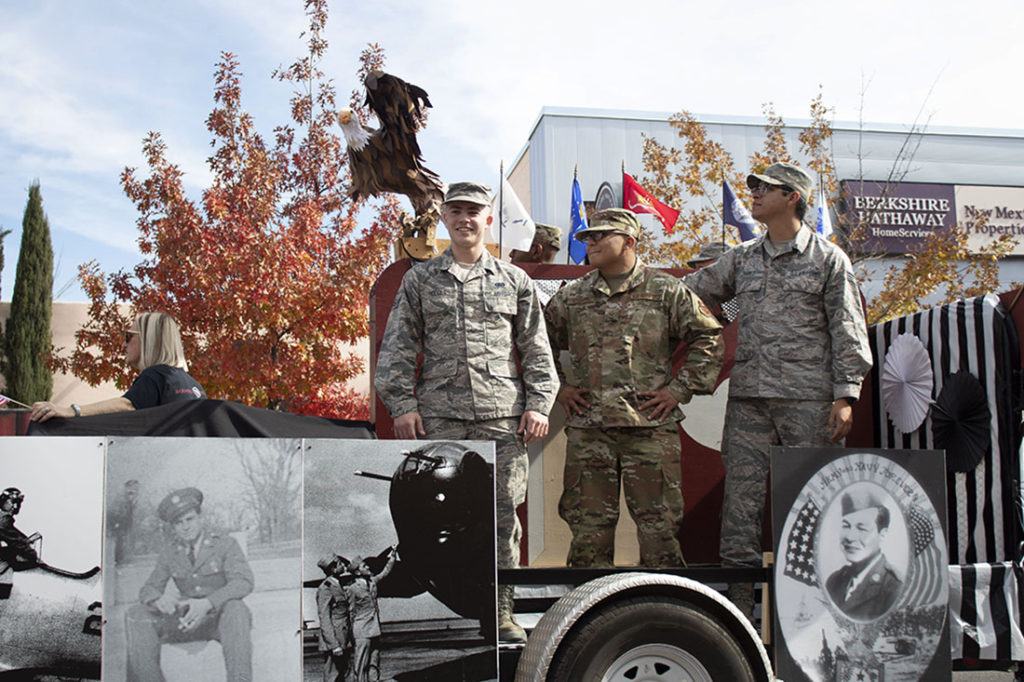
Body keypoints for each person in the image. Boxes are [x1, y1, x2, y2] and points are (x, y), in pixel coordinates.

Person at [683, 162, 873, 618]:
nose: (754, 194)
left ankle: (815, 609)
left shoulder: (828, 259)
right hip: (749, 400)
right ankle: (740, 611)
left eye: (764, 189)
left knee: (812, 502)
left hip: (808, 402)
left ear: (792, 197)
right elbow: (690, 292)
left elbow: (848, 329)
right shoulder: (743, 257)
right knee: (740, 506)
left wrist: (846, 395)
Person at [374, 181, 558, 642]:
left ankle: (499, 615)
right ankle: (453, 608)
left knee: (500, 522)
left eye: (473, 211)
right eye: (455, 210)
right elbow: (397, 347)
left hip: (502, 419)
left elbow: (537, 350)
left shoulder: (515, 281)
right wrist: (401, 405)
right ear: (444, 218)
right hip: (440, 419)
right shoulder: (420, 279)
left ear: (488, 218)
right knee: (441, 520)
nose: (464, 219)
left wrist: (538, 404)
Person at [544, 208, 724, 568]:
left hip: (650, 432)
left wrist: (679, 390)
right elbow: (538, 344)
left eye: (600, 236)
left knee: (660, 534)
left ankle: (664, 616)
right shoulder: (571, 297)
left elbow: (709, 337)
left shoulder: (666, 291)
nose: (590, 242)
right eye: (587, 237)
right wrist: (558, 389)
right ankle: (590, 617)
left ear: (629, 240)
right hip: (590, 432)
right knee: (588, 537)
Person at [124, 487, 253, 682]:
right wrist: (158, 600)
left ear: (200, 518)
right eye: (178, 522)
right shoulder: (170, 552)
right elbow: (148, 588)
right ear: (173, 527)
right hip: (184, 621)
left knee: (237, 608)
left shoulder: (225, 544)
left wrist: (208, 603)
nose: (185, 527)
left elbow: (243, 581)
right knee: (135, 614)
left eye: (189, 519)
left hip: (217, 619)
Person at [30, 311, 206, 422]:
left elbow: (128, 406)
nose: (124, 345)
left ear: (147, 339)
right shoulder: (194, 386)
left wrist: (71, 411)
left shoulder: (156, 374)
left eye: (128, 337)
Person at [825, 488, 903, 620]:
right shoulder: (834, 581)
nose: (850, 536)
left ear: (882, 534)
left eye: (862, 528)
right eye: (846, 526)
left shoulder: (893, 587)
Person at [347, 549, 397, 682]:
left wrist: (392, 556)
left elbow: (385, 572)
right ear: (357, 572)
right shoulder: (353, 588)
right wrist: (352, 634)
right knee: (361, 663)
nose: (368, 567)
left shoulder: (372, 582)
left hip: (374, 629)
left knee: (374, 662)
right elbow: (351, 611)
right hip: (362, 631)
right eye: (364, 566)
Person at [316, 554, 354, 682]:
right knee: (332, 675)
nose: (343, 566)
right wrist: (334, 645)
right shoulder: (325, 588)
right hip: (335, 639)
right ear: (333, 569)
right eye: (340, 564)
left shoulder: (339, 584)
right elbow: (324, 617)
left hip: (344, 636)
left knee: (345, 673)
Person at [0, 488, 41, 594]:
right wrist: (32, 555)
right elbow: (20, 544)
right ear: (3, 501)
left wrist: (25, 542)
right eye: (13, 502)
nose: (15, 507)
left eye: (18, 504)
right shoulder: (3, 521)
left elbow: (17, 538)